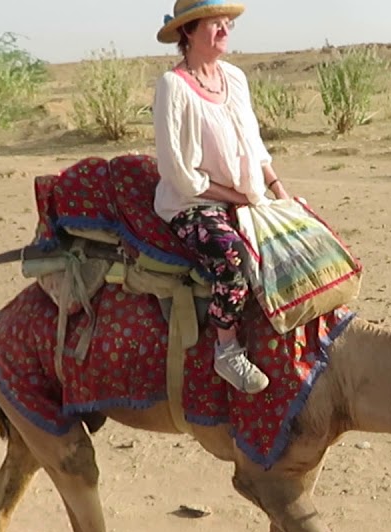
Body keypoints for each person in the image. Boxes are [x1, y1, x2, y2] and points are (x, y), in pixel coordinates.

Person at [152, 0, 290, 394]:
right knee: (232, 257)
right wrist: (238, 197)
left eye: (227, 23)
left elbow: (255, 144)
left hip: (245, 194)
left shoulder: (235, 78)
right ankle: (227, 350)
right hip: (193, 202)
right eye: (215, 24)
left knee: (298, 235)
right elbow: (178, 172)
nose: (225, 30)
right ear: (189, 32)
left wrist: (277, 189)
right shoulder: (173, 86)